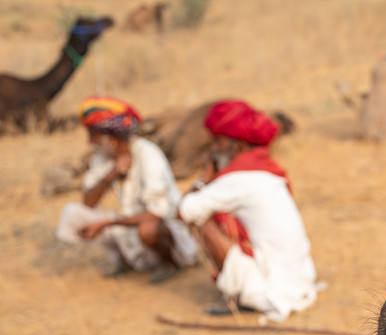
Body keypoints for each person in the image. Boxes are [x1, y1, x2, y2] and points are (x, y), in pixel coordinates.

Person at [178, 99, 319, 320]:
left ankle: (240, 295)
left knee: (201, 219)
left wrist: (204, 177)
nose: (213, 149)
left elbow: (184, 211)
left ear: (239, 147)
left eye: (219, 142)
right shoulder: (265, 170)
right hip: (298, 280)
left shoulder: (238, 179)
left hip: (276, 290)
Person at [56, 96, 197, 283]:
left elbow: (157, 214)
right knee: (73, 213)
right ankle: (123, 260)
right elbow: (88, 202)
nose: (90, 141)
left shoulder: (148, 154)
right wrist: (111, 174)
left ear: (112, 138)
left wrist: (108, 223)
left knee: (148, 229)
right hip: (129, 224)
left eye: (94, 135)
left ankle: (169, 263)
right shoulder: (102, 158)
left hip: (163, 228)